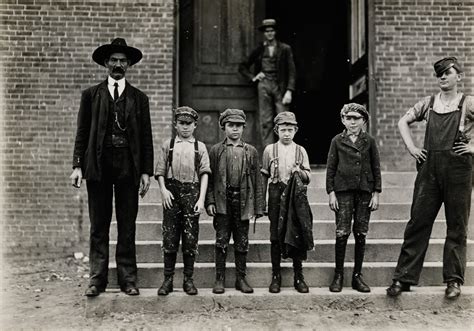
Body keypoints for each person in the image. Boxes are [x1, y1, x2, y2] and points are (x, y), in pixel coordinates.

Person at [70, 38, 154, 297]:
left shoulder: (139, 98)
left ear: (129, 65)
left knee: (127, 226)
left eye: (122, 61)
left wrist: (145, 172)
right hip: (98, 167)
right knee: (99, 225)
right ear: (106, 63)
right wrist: (77, 166)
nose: (118, 65)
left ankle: (128, 278)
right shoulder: (91, 95)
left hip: (128, 168)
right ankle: (97, 279)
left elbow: (146, 138)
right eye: (114, 60)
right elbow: (82, 133)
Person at [387, 57, 473, 299]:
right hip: (429, 171)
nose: (443, 78)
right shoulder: (429, 103)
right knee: (418, 223)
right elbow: (403, 121)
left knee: (457, 226)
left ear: (459, 77)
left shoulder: (468, 103)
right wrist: (412, 148)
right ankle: (403, 279)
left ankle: (454, 281)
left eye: (448, 73)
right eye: (440, 75)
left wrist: (473, 147)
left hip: (459, 171)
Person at [205, 108, 264, 294]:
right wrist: (210, 201)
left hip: (243, 201)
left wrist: (258, 206)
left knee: (241, 240)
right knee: (221, 240)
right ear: (224, 127)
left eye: (239, 126)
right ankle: (219, 279)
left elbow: (257, 180)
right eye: (231, 125)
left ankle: (241, 278)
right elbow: (210, 179)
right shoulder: (216, 151)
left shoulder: (251, 151)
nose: (235, 129)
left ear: (243, 128)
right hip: (223, 201)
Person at [154, 106, 211, 296]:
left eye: (189, 124)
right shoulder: (168, 145)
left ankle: (188, 280)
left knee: (190, 238)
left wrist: (201, 199)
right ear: (175, 124)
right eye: (181, 123)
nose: (185, 127)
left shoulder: (200, 147)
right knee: (170, 237)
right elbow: (160, 171)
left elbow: (204, 174)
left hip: (192, 194)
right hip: (172, 193)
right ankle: (167, 280)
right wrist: (163, 191)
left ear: (195, 125)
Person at [326, 103, 381, 293]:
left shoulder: (370, 141)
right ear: (343, 120)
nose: (352, 122)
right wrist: (331, 193)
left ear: (363, 121)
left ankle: (357, 276)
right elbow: (331, 169)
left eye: (356, 118)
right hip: (343, 192)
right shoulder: (337, 141)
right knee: (342, 232)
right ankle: (338, 275)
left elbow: (376, 167)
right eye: (348, 118)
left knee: (360, 233)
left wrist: (376, 193)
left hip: (365, 192)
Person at [261, 111, 313, 293]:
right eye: (283, 130)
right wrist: (263, 201)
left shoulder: (301, 151)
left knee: (296, 234)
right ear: (276, 130)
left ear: (296, 130)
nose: (286, 134)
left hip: (295, 198)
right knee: (275, 236)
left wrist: (299, 172)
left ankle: (299, 276)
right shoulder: (269, 150)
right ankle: (276, 276)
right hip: (276, 194)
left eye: (290, 130)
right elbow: (264, 176)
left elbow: (308, 177)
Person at [239, 18, 296, 147]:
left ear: (275, 32)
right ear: (264, 33)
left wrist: (289, 90)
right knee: (266, 121)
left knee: (284, 119)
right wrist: (253, 77)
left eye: (271, 31)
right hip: (264, 85)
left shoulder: (285, 49)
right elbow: (243, 66)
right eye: (267, 31)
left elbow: (292, 71)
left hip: (279, 86)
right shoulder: (259, 49)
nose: (269, 33)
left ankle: (285, 149)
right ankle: (269, 153)